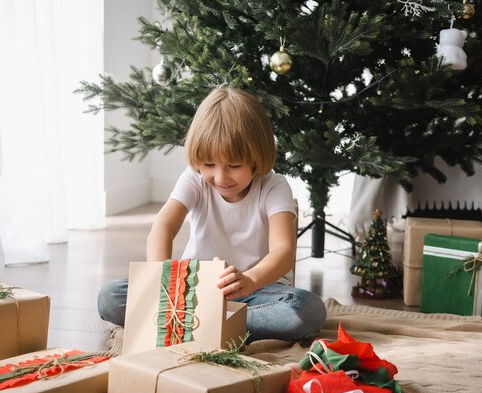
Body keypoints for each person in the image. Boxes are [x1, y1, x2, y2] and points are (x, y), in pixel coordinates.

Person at [97, 87, 326, 342]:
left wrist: (249, 280)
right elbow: (163, 227)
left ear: (257, 157)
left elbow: (283, 251)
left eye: (235, 166)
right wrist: (162, 277)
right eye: (209, 165)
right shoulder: (194, 179)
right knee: (110, 298)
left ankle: (198, 324)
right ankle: (217, 324)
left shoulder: (274, 186)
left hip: (257, 291)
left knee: (306, 311)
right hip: (193, 288)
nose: (220, 177)